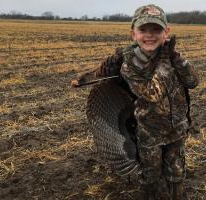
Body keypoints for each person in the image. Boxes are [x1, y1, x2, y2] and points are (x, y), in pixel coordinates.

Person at [72, 4, 198, 200]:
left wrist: (176, 58)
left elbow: (192, 81)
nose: (150, 35)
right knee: (152, 177)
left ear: (167, 32)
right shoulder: (130, 64)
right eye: (143, 30)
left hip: (177, 130)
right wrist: (165, 62)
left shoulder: (171, 56)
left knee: (176, 174)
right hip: (149, 134)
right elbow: (152, 94)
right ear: (133, 34)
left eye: (156, 29)